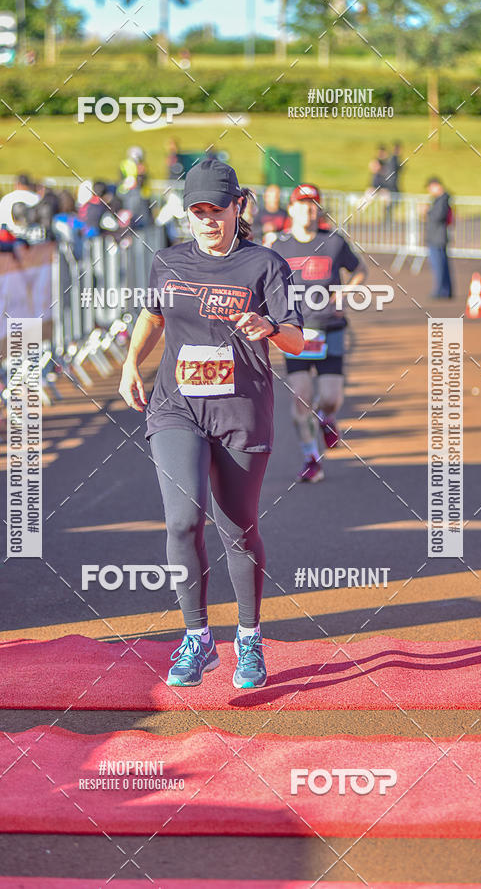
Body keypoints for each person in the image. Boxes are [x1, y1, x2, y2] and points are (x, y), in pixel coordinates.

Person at [118, 159, 303, 689]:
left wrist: (268, 326)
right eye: (197, 212)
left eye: (216, 211)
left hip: (241, 412)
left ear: (237, 207)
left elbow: (297, 338)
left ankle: (248, 638)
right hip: (178, 407)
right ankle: (197, 639)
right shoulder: (169, 262)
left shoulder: (267, 266)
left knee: (237, 528)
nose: (207, 221)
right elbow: (153, 316)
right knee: (182, 520)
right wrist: (133, 363)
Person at [272, 183, 368, 483]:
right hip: (296, 331)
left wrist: (343, 295)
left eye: (314, 204)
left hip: (330, 329)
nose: (308, 209)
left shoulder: (334, 243)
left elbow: (360, 269)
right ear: (291, 209)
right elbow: (266, 283)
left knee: (330, 397)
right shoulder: (279, 247)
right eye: (302, 203)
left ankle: (327, 418)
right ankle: (311, 458)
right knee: (301, 395)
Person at [424, 176, 454, 299]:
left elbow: (438, 216)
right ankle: (444, 290)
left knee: (439, 266)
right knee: (441, 265)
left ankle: (442, 290)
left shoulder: (443, 200)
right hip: (436, 237)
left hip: (438, 237)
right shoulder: (440, 199)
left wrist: (427, 211)